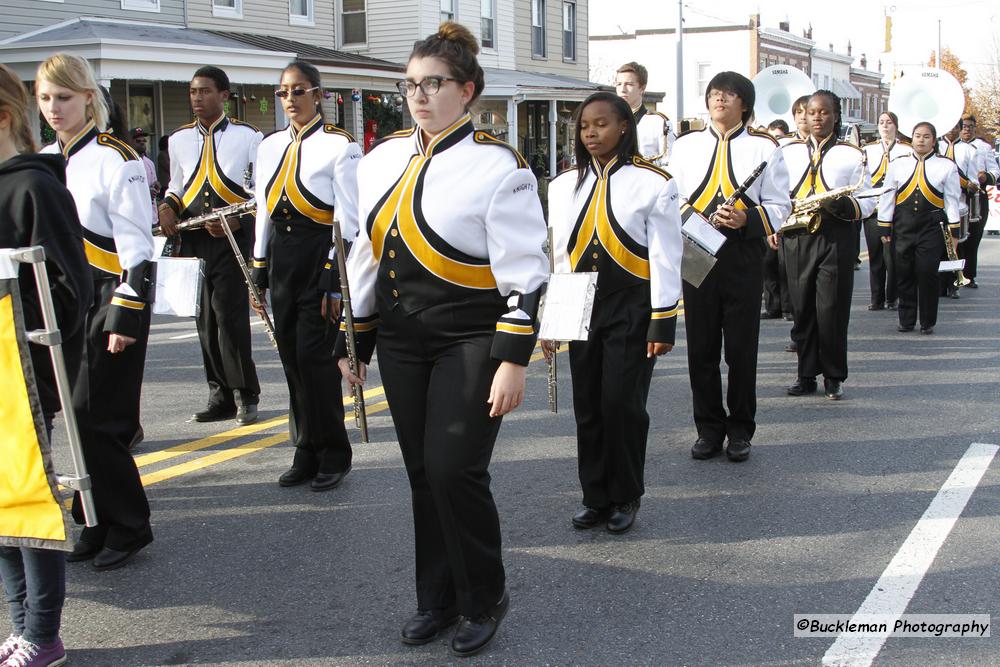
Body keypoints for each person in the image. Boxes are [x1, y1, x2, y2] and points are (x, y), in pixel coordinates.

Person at [336, 22, 547, 657]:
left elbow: (525, 272)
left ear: (468, 90)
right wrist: (356, 345)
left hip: (472, 337)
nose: (419, 96)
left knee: (457, 469)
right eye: (411, 86)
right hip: (403, 339)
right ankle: (438, 597)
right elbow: (366, 260)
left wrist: (512, 360)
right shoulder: (378, 160)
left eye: (434, 84)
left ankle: (485, 596)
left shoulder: (498, 166)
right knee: (423, 473)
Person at [36, 53, 155, 571]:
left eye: (63, 97)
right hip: (61, 299)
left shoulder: (117, 157)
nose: (54, 108)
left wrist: (125, 315)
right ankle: (94, 520)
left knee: (99, 419)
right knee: (73, 420)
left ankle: (129, 525)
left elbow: (138, 246)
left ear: (88, 97)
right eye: (44, 98)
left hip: (111, 296)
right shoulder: (41, 158)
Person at [543, 91, 682, 530]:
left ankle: (626, 495)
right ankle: (595, 495)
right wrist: (554, 320)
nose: (591, 133)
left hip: (632, 305)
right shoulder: (562, 185)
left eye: (601, 124)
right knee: (588, 404)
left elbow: (664, 255)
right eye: (584, 126)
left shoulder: (654, 182)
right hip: (582, 303)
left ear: (624, 127)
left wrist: (662, 319)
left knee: (622, 403)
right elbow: (561, 259)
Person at [0, 62, 92, 667]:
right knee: (0, 500)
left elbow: (71, 286)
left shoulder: (33, 187)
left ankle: (43, 631)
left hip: (20, 368)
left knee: (30, 497)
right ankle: (18, 624)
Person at [669, 72, 791, 461]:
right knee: (700, 348)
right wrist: (693, 215)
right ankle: (707, 428)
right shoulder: (685, 145)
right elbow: (669, 195)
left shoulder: (765, 147)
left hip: (741, 256)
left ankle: (740, 430)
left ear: (745, 103)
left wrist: (747, 219)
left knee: (741, 349)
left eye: (730, 94)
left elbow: (780, 204)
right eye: (714, 93)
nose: (720, 99)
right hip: (696, 250)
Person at [251, 60, 360, 490]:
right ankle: (306, 448)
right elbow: (263, 210)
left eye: (299, 91)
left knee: (317, 363)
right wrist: (259, 270)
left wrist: (334, 278)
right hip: (282, 259)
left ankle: (335, 451)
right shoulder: (269, 145)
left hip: (319, 256)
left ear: (318, 94)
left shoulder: (341, 145)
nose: (290, 99)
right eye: (283, 92)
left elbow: (349, 220)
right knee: (292, 361)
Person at [159, 66, 263, 425]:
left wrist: (240, 222)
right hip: (194, 238)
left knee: (230, 318)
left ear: (224, 95)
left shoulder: (249, 137)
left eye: (204, 91)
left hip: (230, 238)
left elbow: (258, 194)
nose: (197, 98)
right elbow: (176, 184)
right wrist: (166, 206)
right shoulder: (178, 139)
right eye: (192, 92)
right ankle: (219, 395)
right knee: (204, 319)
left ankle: (246, 393)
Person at [774, 90, 875, 400]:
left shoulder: (852, 154)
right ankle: (806, 375)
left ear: (835, 116)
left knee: (831, 309)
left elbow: (869, 201)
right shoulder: (785, 152)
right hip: (797, 236)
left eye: (824, 112)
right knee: (802, 309)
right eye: (811, 112)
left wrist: (846, 207)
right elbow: (775, 195)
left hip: (836, 237)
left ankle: (834, 376)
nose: (816, 118)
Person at [877, 122, 960, 335]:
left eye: (926, 136)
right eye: (917, 136)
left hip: (932, 226)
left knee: (927, 272)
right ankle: (906, 319)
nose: (921, 140)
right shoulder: (898, 164)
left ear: (934, 140)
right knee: (903, 273)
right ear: (911, 138)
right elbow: (888, 196)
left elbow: (951, 200)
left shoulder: (946, 166)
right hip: (903, 225)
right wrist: (885, 227)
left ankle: (927, 321)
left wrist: (954, 231)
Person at [861, 111, 910, 311]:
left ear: (896, 126)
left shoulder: (905, 150)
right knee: (875, 256)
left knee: (893, 257)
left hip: (895, 209)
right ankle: (876, 298)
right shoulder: (867, 150)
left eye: (889, 122)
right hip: (873, 208)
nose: (884, 126)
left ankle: (892, 297)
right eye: (881, 122)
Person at [937, 121, 979, 299]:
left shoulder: (970, 150)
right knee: (938, 246)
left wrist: (971, 185)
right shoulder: (935, 146)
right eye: (950, 126)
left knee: (955, 246)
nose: (952, 130)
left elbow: (974, 179)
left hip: (958, 202)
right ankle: (939, 284)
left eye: (956, 127)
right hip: (937, 202)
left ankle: (954, 284)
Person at [957, 114, 1000, 288]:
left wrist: (985, 178)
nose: (966, 129)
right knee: (956, 237)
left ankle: (970, 275)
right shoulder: (951, 146)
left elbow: (995, 171)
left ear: (975, 128)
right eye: (964, 126)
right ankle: (954, 274)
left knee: (973, 237)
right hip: (957, 195)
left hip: (977, 197)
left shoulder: (983, 147)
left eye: (970, 126)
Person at [614, 62, 673, 166]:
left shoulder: (658, 122)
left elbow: (668, 161)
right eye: (619, 84)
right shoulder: (608, 121)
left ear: (642, 88)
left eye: (629, 84)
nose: (622, 89)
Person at [129, 127, 159, 224]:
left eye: (144, 141)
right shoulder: (127, 163)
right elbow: (129, 189)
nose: (142, 143)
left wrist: (156, 186)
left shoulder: (149, 162)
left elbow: (154, 183)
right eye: (138, 141)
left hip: (152, 215)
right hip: (137, 217)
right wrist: (146, 193)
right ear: (130, 143)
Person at [155, 135, 170, 200]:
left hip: (168, 184)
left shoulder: (167, 153)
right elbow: (169, 167)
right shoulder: (162, 154)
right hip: (164, 184)